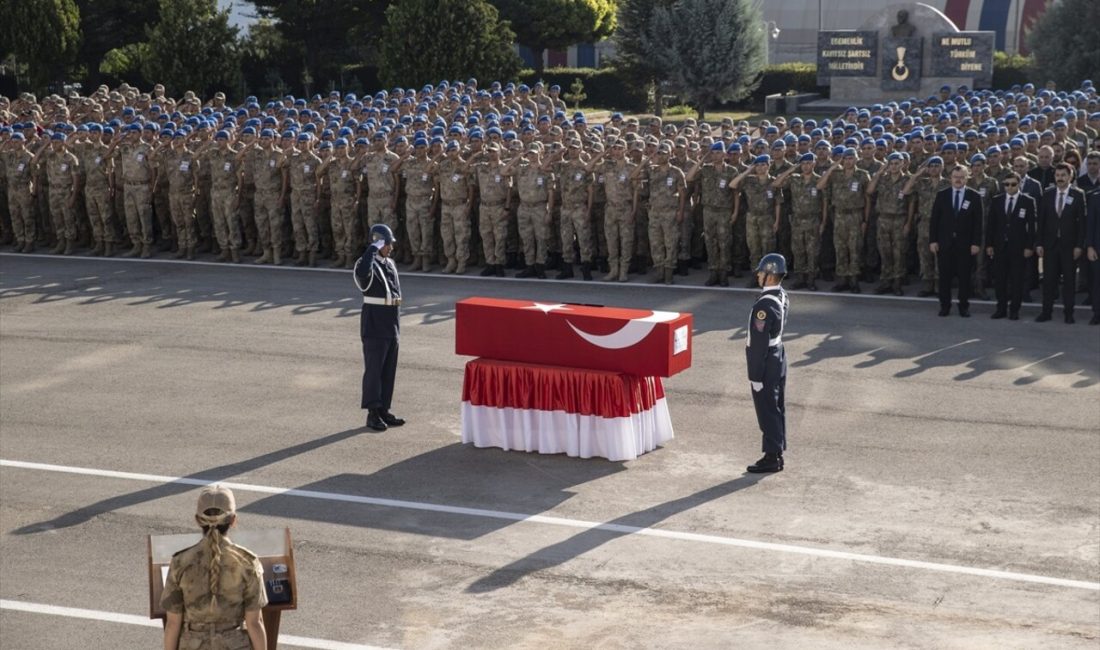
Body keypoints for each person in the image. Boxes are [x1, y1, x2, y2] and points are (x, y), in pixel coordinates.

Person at [161, 485, 268, 650]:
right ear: (233, 520)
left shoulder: (180, 562)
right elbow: (255, 623)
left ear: (198, 520)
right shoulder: (247, 563)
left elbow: (172, 624)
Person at [354, 223, 406, 431]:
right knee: (374, 369)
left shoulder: (390, 263)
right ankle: (372, 412)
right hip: (375, 320)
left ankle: (384, 408)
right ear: (377, 242)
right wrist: (371, 250)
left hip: (391, 319)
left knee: (388, 367)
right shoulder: (365, 263)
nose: (390, 248)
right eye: (387, 244)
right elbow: (362, 276)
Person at [746, 253, 789, 474]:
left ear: (770, 276)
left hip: (767, 359)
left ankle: (771, 457)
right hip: (778, 354)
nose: (759, 274)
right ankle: (777, 450)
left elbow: (759, 345)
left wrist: (755, 376)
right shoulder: (781, 295)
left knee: (767, 408)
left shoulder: (764, 305)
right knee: (777, 406)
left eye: (762, 272)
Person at [1036, 162, 1087, 323]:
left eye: (1063, 175)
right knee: (1049, 281)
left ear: (1070, 176)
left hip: (1069, 246)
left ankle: (1068, 313)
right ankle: (1046, 312)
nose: (1060, 178)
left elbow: (1082, 224)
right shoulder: (1048, 194)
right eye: (1057, 175)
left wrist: (1079, 245)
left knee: (1069, 282)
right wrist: (1039, 243)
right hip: (1050, 245)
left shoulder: (1078, 195)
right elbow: (1041, 221)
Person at [929, 165, 983, 317]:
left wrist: (976, 243)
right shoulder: (942, 195)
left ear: (967, 178)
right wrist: (933, 241)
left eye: (961, 177)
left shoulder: (974, 196)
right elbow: (934, 220)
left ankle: (963, 307)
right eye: (955, 177)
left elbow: (978, 223)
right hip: (945, 244)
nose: (958, 180)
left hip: (965, 245)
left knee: (965, 278)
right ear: (950, 178)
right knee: (944, 277)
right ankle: (945, 306)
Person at [985, 172, 1036, 320]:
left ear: (1019, 184)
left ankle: (1014, 309)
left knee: (1017, 279)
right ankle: (1000, 308)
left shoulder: (1027, 201)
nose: (1009, 187)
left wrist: (1029, 246)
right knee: (1000, 279)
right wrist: (989, 244)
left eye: (1013, 184)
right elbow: (991, 225)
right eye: (1006, 184)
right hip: (1000, 246)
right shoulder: (997, 201)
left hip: (1019, 247)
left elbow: (1032, 226)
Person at [1086, 189, 1100, 325]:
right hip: (1097, 248)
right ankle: (1097, 313)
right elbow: (1090, 224)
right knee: (1097, 283)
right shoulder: (1095, 198)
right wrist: (1089, 246)